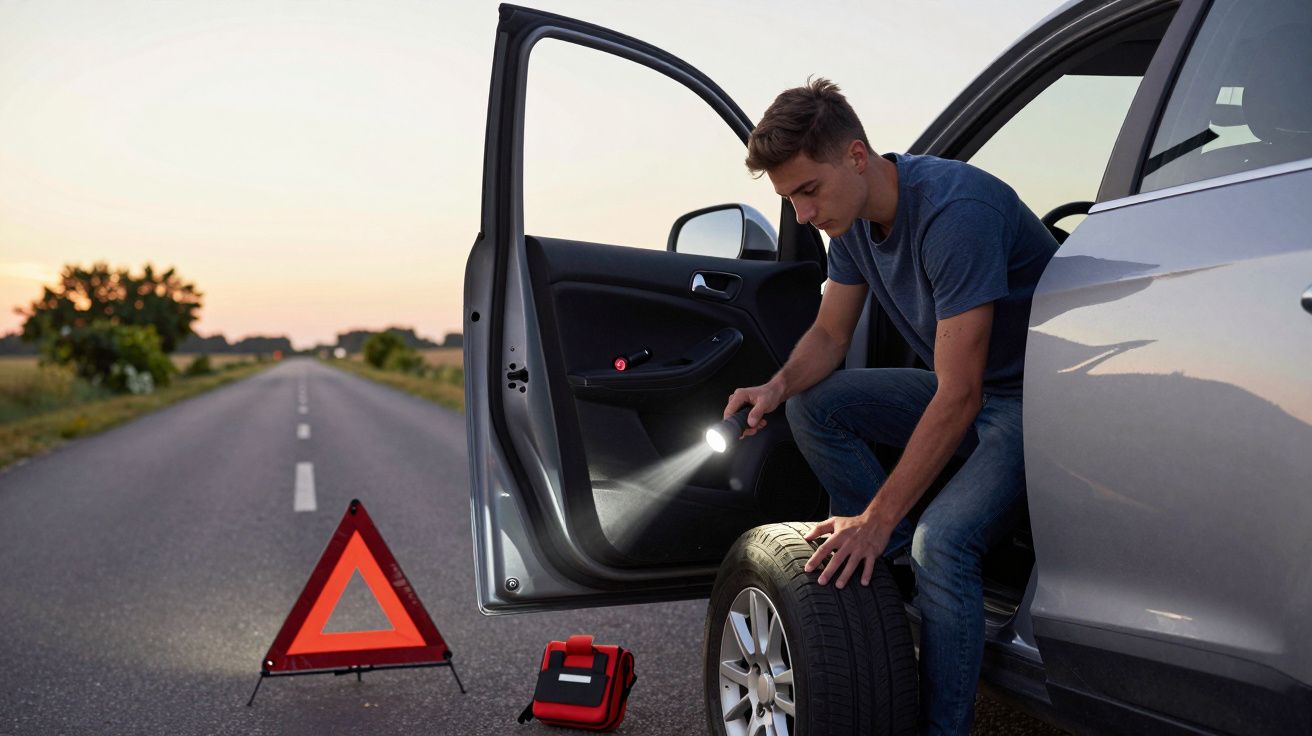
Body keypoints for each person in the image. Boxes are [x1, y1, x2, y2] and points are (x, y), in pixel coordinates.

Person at [721, 78, 1058, 734]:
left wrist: (875, 513)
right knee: (814, 406)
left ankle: (940, 716)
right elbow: (828, 335)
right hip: (969, 390)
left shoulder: (954, 213)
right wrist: (775, 386)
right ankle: (887, 558)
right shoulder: (848, 223)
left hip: (1034, 404)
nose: (802, 216)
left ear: (855, 155)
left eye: (807, 192)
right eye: (789, 200)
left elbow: (959, 394)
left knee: (945, 544)